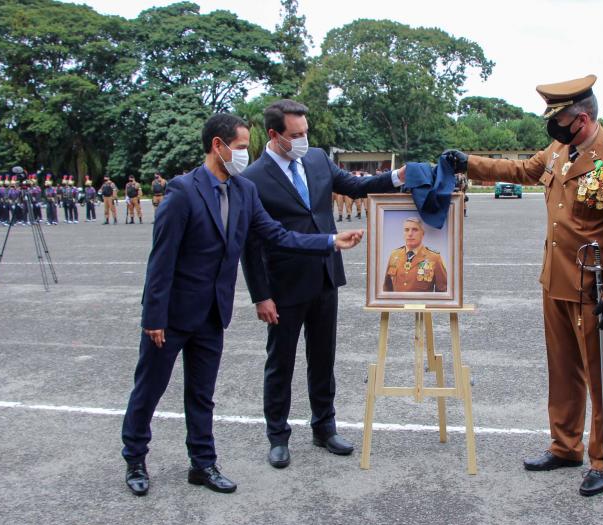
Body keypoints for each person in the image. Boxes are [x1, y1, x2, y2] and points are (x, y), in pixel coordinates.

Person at [120, 113, 364, 497]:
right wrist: (154, 317)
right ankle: (135, 458)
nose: (245, 155)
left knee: (202, 394)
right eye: (238, 147)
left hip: (213, 313)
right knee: (150, 389)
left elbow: (276, 235)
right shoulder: (183, 192)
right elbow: (160, 260)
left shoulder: (244, 191)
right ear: (217, 146)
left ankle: (202, 463)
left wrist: (331, 242)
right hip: (172, 315)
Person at [444, 75, 603, 496]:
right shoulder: (558, 150)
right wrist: (468, 162)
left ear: (584, 118)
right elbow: (521, 170)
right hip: (555, 278)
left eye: (561, 118)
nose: (552, 126)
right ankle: (565, 444)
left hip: (594, 286)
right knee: (562, 370)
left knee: (600, 375)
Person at [241, 99, 404, 469]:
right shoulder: (252, 179)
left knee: (323, 357)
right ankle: (278, 436)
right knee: (280, 362)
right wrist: (261, 294)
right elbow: (251, 246)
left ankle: (324, 427)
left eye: (306, 132)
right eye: (295, 135)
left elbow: (353, 186)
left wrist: (397, 177)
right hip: (283, 285)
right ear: (274, 135)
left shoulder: (315, 159)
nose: (303, 139)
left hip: (325, 276)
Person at [383, 217, 448, 292]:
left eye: (415, 230)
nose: (410, 234)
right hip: (398, 303)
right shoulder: (394, 255)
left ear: (422, 234)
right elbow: (387, 288)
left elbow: (443, 291)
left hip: (421, 303)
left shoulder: (434, 258)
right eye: (406, 230)